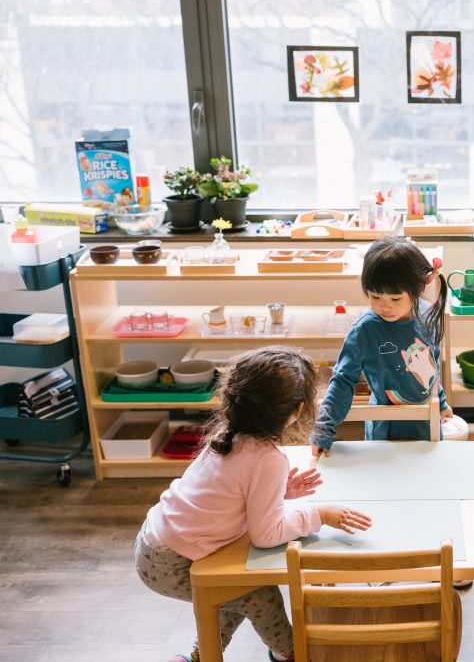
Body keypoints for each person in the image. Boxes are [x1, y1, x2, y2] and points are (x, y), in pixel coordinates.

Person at [135, 346, 372, 662]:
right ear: (298, 410)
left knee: (236, 593)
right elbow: (266, 535)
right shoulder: (268, 459)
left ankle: (201, 653)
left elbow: (228, 492)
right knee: (258, 594)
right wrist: (320, 514)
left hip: (156, 542)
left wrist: (280, 492)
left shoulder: (229, 433)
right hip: (172, 563)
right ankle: (291, 654)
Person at [311, 236, 453, 456]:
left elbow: (431, 367)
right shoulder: (365, 330)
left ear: (416, 289)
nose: (384, 307)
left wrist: (442, 402)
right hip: (385, 427)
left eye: (395, 299)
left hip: (427, 422)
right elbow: (342, 380)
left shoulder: (428, 315)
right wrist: (323, 428)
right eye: (375, 296)